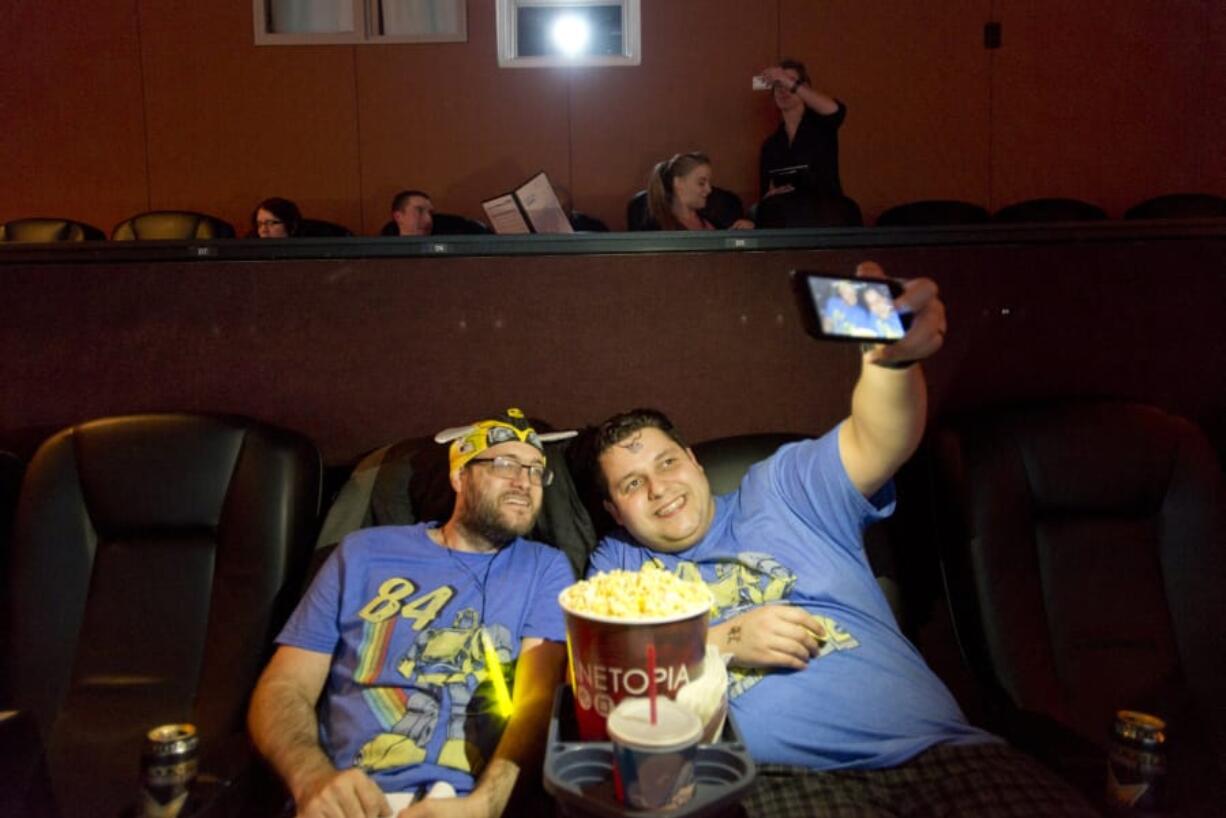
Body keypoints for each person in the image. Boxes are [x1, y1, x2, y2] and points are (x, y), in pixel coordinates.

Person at [577, 264, 1097, 816]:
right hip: (785, 781)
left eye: (668, 463)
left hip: (943, 756)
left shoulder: (780, 487)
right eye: (633, 484)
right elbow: (603, 670)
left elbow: (877, 439)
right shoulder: (620, 563)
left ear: (697, 466)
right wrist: (722, 641)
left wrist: (892, 364)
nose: (661, 489)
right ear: (614, 510)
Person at [249, 408, 576, 818]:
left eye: (535, 471)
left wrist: (485, 805)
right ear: (459, 475)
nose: (523, 482)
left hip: (464, 800)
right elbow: (284, 686)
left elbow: (539, 700)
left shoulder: (545, 567)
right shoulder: (363, 552)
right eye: (504, 464)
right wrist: (311, 779)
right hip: (348, 796)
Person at [756, 59, 846, 200]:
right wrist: (769, 196)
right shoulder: (771, 145)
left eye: (788, 82)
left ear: (804, 87)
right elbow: (764, 194)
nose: (783, 89)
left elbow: (836, 111)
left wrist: (786, 80)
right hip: (789, 216)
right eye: (778, 84)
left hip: (826, 212)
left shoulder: (821, 125)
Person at [645, 152, 754, 231]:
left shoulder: (713, 220)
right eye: (701, 183)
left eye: (708, 183)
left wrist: (736, 235)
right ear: (678, 183)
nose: (709, 190)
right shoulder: (655, 229)